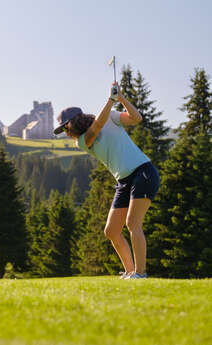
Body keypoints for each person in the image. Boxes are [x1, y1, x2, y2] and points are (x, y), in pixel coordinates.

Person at [54, 83, 160, 279]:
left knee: (133, 224)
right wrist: (111, 100)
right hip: (124, 181)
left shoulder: (110, 116)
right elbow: (96, 128)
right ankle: (130, 271)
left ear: (75, 121)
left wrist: (120, 99)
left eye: (65, 127)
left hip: (143, 172)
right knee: (111, 231)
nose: (66, 132)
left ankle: (140, 273)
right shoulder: (82, 141)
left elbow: (136, 118)